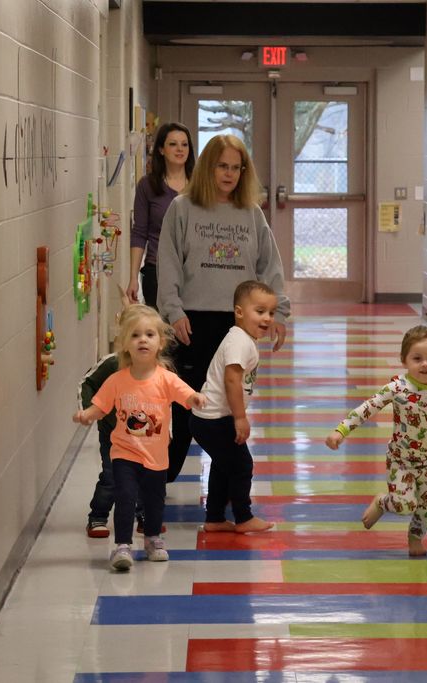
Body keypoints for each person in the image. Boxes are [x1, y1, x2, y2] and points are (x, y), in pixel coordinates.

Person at [157, 134, 290, 484]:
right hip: (191, 321)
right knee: (184, 406)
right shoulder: (182, 208)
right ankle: (158, 485)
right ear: (207, 168)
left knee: (231, 407)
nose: (229, 174)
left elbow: (270, 265)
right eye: (222, 166)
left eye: (236, 167)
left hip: (237, 324)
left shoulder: (251, 213)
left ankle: (228, 494)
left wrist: (280, 313)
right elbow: (167, 264)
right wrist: (173, 312)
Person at [72, 305, 205, 571]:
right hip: (124, 452)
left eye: (149, 335)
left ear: (160, 343)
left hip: (156, 455)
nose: (142, 340)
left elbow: (185, 395)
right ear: (124, 345)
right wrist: (88, 414)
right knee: (125, 496)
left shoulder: (166, 378)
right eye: (135, 336)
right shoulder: (118, 379)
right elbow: (102, 405)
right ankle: (123, 545)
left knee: (154, 500)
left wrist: (196, 398)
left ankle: (153, 539)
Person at [325, 326, 427, 557]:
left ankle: (415, 537)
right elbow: (368, 408)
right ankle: (383, 502)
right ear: (404, 360)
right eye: (417, 358)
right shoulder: (397, 388)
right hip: (400, 460)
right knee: (404, 505)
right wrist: (341, 430)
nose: (425, 364)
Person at [189, 280, 278, 533]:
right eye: (259, 311)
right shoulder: (239, 341)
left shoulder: (244, 338)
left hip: (210, 418)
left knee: (222, 462)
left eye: (271, 313)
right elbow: (232, 379)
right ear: (239, 312)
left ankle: (215, 517)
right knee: (241, 465)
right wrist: (240, 417)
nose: (267, 318)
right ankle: (243, 516)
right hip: (214, 419)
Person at [79, 351, 147, 538]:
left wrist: (167, 430)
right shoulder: (112, 363)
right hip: (112, 433)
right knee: (112, 475)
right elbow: (87, 382)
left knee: (145, 476)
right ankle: (98, 516)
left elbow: (167, 400)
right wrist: (88, 410)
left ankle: (144, 515)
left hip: (144, 436)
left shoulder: (156, 366)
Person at [126, 123, 195, 307]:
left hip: (195, 273)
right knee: (161, 333)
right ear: (161, 150)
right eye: (173, 144)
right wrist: (133, 277)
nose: (180, 149)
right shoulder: (147, 186)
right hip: (157, 271)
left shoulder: (200, 186)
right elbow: (140, 233)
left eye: (184, 144)